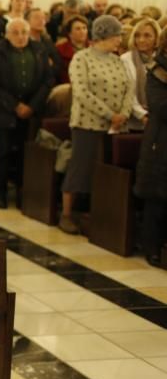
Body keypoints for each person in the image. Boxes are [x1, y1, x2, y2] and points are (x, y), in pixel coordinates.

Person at [60, 15, 134, 234]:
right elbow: (81, 92)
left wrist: (123, 113)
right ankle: (66, 214)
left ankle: (96, 213)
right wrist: (109, 114)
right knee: (80, 168)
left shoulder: (117, 60)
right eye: (116, 35)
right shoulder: (82, 58)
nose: (119, 39)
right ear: (104, 35)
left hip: (116, 126)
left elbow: (128, 89)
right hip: (87, 123)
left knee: (104, 172)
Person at [0, 18, 54, 208]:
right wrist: (15, 106)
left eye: (24, 32)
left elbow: (48, 80)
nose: (21, 36)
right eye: (15, 32)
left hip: (31, 111)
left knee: (26, 153)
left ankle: (24, 193)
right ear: (7, 34)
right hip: (4, 110)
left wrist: (32, 106)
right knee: (4, 152)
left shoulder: (39, 49)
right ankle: (0, 192)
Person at [134, 32, 167, 267]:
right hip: (160, 142)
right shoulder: (157, 71)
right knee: (157, 196)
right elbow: (160, 106)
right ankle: (151, 247)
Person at [121, 17, 161, 130]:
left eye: (147, 36)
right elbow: (127, 92)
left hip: (161, 119)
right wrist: (142, 115)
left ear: (156, 38)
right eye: (137, 36)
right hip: (134, 122)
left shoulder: (162, 60)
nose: (141, 40)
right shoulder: (125, 59)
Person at [56, 15, 89, 84]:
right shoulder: (60, 49)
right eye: (78, 29)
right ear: (69, 33)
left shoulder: (94, 47)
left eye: (84, 28)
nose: (82, 31)